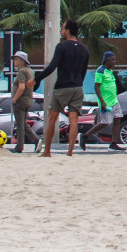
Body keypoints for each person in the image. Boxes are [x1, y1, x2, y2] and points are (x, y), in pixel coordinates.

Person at [35, 20, 90, 158]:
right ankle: (70, 152)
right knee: (74, 120)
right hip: (77, 87)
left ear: (68, 31)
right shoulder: (85, 49)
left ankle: (47, 151)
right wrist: (78, 84)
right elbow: (83, 71)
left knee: (52, 118)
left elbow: (52, 66)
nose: (61, 31)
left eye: (63, 29)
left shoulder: (61, 46)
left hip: (62, 87)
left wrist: (37, 79)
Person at [92, 51, 121, 151]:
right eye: (113, 60)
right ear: (107, 60)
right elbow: (97, 87)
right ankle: (85, 135)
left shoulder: (110, 71)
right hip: (106, 103)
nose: (114, 62)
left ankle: (114, 143)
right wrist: (102, 102)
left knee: (118, 118)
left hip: (114, 101)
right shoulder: (100, 71)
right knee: (105, 122)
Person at [7, 50, 35, 154]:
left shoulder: (22, 71)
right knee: (22, 123)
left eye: (16, 59)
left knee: (19, 125)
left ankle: (19, 147)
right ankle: (36, 140)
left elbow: (22, 87)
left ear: (21, 61)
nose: (14, 61)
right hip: (27, 100)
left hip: (21, 101)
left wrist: (15, 98)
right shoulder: (30, 71)